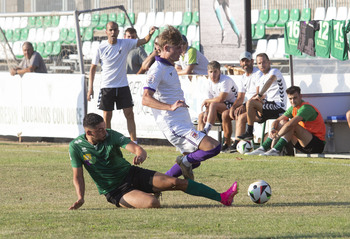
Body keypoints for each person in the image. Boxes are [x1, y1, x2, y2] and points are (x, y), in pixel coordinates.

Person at [68, 113, 239, 209]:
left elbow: (134, 147)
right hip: (115, 190)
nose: (104, 132)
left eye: (104, 127)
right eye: (99, 130)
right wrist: (80, 197)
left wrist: (140, 153)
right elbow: (78, 177)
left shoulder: (111, 135)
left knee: (175, 182)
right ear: (89, 133)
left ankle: (223, 197)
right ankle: (145, 194)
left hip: (132, 174)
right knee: (152, 203)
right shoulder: (76, 147)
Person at [142, 26, 221, 181]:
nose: (181, 50)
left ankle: (157, 185)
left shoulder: (169, 65)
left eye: (182, 47)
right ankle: (178, 167)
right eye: (178, 48)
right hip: (174, 126)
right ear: (166, 48)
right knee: (213, 147)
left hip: (182, 123)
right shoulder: (157, 69)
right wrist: (170, 107)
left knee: (194, 161)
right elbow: (146, 98)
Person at [88, 21, 156, 144]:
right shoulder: (101, 47)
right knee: (107, 116)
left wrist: (150, 34)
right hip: (107, 87)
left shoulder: (125, 43)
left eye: (115, 30)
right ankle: (107, 142)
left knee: (129, 114)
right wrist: (90, 88)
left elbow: (143, 41)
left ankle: (134, 142)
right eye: (110, 30)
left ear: (119, 31)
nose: (113, 32)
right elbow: (92, 68)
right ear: (106, 32)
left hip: (122, 86)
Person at [247, 86, 326, 156]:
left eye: (295, 98)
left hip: (316, 145)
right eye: (290, 99)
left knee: (291, 125)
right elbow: (277, 121)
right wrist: (273, 130)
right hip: (302, 143)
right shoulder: (293, 108)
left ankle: (275, 150)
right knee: (282, 122)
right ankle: (263, 148)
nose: (292, 101)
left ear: (300, 96)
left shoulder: (305, 107)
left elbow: (290, 125)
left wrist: (276, 137)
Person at [237, 53, 287, 141]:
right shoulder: (262, 78)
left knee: (251, 103)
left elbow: (270, 81)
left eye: (264, 62)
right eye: (259, 63)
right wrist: (251, 105)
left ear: (269, 62)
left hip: (278, 107)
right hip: (269, 107)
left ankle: (249, 132)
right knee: (242, 117)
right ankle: (237, 144)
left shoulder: (274, 71)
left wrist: (258, 97)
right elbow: (262, 96)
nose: (262, 65)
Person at [221, 51, 262, 153]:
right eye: (243, 62)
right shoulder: (243, 77)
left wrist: (243, 106)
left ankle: (236, 144)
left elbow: (258, 94)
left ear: (252, 61)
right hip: (248, 105)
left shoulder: (258, 74)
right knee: (226, 114)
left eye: (247, 61)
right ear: (240, 63)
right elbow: (240, 97)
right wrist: (233, 108)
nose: (245, 64)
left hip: (258, 105)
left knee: (241, 116)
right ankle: (227, 143)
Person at [198, 60, 239, 138]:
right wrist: (206, 112)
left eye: (215, 72)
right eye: (211, 72)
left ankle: (206, 129)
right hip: (220, 106)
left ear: (219, 71)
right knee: (201, 116)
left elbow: (220, 99)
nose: (213, 75)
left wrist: (206, 101)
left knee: (214, 105)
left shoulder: (225, 80)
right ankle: (200, 140)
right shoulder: (208, 82)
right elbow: (209, 102)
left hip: (234, 105)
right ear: (207, 72)